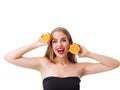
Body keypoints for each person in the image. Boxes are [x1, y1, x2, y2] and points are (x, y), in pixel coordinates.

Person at [4, 27, 120, 90]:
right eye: (55, 41)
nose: (59, 45)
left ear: (70, 43)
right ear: (51, 45)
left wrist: (88, 54)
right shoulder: (43, 63)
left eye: (63, 40)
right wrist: (36, 44)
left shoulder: (79, 67)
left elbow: (114, 64)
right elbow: (9, 57)